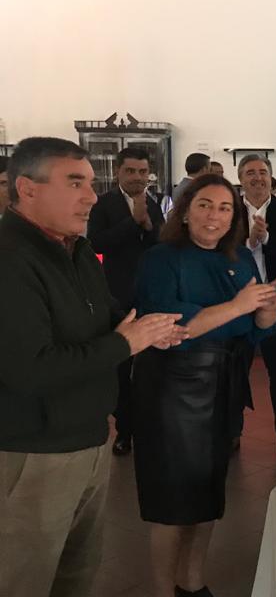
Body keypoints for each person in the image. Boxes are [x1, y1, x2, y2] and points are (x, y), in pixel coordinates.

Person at [0, 137, 183, 597]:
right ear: (28, 188)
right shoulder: (10, 258)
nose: (90, 197)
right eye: (75, 183)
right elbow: (31, 370)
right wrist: (126, 343)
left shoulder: (75, 248)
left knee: (74, 576)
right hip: (34, 451)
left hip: (88, 438)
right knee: (22, 585)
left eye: (90, 183)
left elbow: (100, 315)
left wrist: (148, 329)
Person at [133, 174, 276, 597]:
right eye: (204, 205)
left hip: (224, 384)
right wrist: (239, 306)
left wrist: (266, 312)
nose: (214, 216)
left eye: (224, 208)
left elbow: (256, 329)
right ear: (185, 211)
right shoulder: (161, 259)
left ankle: (192, 583)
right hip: (171, 388)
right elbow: (171, 325)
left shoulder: (239, 260)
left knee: (207, 493)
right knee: (170, 500)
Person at [87, 146, 166, 456]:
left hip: (151, 295)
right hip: (117, 297)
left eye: (142, 172)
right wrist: (132, 221)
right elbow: (96, 242)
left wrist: (149, 226)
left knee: (151, 367)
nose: (137, 177)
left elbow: (162, 244)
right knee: (122, 367)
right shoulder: (103, 204)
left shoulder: (154, 204)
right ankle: (124, 430)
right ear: (118, 172)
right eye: (131, 171)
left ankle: (149, 426)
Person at [235, 154, 276, 460]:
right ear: (241, 179)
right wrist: (248, 242)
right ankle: (232, 430)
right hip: (238, 303)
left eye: (262, 171)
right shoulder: (231, 209)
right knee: (236, 370)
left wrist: (266, 238)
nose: (257, 177)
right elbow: (221, 250)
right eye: (250, 172)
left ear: (270, 176)